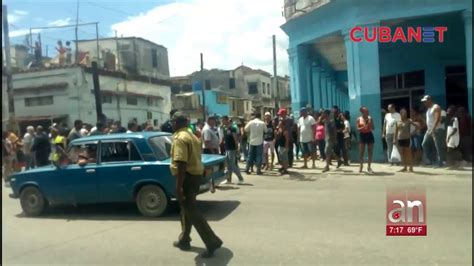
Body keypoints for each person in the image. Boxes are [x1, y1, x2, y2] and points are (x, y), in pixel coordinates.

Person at [170, 111, 223, 258]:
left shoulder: (180, 138)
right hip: (195, 176)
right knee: (186, 209)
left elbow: (181, 162)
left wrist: (179, 186)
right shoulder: (192, 135)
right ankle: (184, 239)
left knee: (191, 211)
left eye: (173, 123)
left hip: (186, 178)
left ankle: (212, 241)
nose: (172, 125)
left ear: (176, 123)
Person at [421, 95, 444, 167]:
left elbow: (437, 119)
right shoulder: (428, 109)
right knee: (424, 144)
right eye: (424, 102)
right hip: (429, 130)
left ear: (430, 100)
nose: (424, 103)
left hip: (437, 129)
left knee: (438, 147)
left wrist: (433, 129)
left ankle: (440, 163)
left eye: (425, 101)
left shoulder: (436, 107)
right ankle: (432, 160)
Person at [221, 116, 244, 184]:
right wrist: (222, 142)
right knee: (228, 165)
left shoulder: (232, 128)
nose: (222, 122)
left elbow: (235, 138)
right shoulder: (225, 128)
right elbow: (224, 137)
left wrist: (237, 147)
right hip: (227, 148)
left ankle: (240, 178)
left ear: (226, 120)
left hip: (232, 148)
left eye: (223, 120)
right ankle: (228, 179)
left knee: (232, 164)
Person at [357, 106, 375, 173]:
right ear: (362, 112)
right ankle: (361, 166)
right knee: (361, 152)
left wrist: (370, 124)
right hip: (362, 135)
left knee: (370, 152)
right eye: (366, 111)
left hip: (369, 135)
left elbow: (373, 128)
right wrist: (363, 127)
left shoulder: (370, 118)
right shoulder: (359, 119)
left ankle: (369, 167)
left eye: (368, 111)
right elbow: (357, 129)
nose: (367, 112)